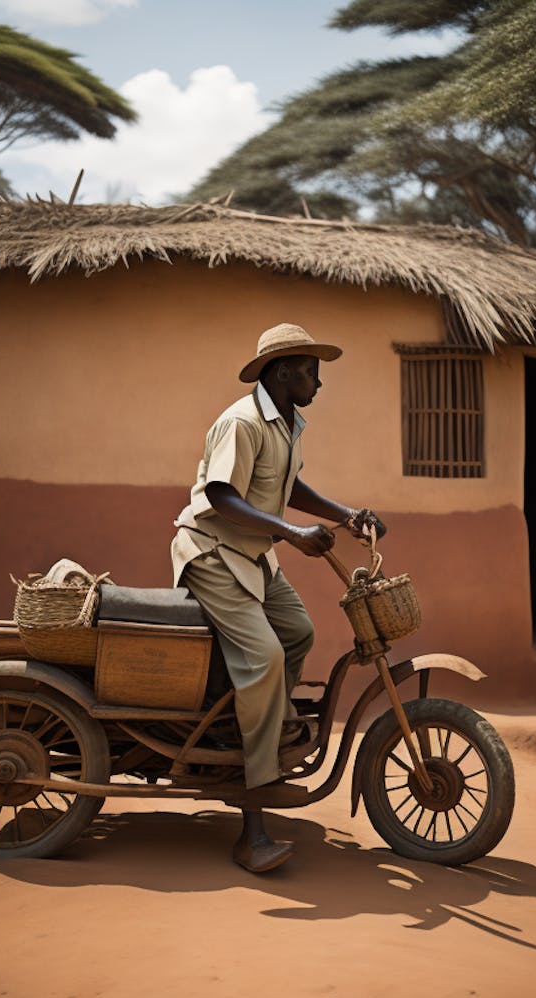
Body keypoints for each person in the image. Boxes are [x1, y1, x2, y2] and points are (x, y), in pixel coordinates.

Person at [171, 323, 385, 872]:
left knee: (298, 633)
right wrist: (292, 535)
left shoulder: (287, 423)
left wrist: (346, 515)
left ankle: (249, 723)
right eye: (313, 370)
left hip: (255, 557)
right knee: (264, 657)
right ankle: (253, 820)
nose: (320, 381)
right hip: (214, 555)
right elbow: (220, 496)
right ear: (285, 369)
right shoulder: (241, 422)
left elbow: (290, 489)